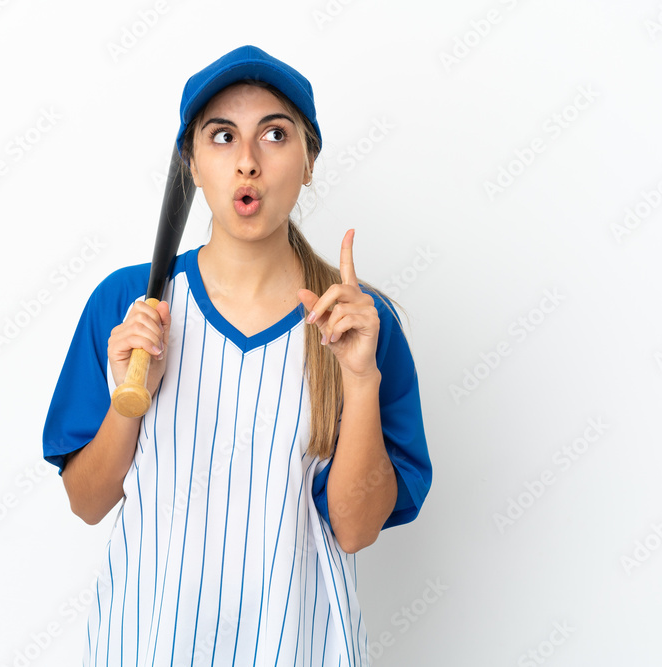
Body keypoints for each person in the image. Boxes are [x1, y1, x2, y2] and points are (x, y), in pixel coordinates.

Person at [42, 44, 431, 666]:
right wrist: (128, 399)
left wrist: (360, 382)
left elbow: (356, 530)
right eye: (222, 137)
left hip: (297, 647)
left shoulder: (357, 322)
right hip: (145, 643)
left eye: (274, 135)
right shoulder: (128, 302)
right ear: (191, 164)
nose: (247, 162)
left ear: (308, 162)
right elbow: (88, 503)